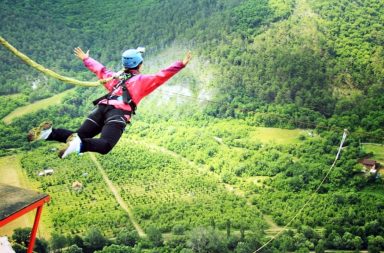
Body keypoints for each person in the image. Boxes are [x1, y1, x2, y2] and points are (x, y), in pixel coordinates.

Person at [28, 47, 192, 158]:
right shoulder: (142, 80)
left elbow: (100, 70)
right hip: (117, 113)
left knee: (79, 135)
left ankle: (48, 133)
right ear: (140, 64)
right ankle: (79, 145)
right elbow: (160, 76)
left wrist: (86, 59)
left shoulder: (115, 77)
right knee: (105, 145)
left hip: (100, 109)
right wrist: (180, 65)